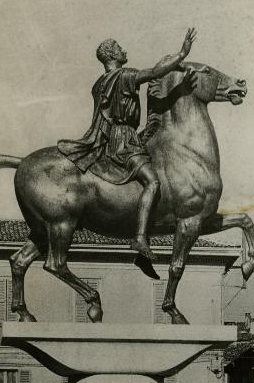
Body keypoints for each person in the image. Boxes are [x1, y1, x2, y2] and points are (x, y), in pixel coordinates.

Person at [58, 28, 196, 261]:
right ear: (112, 54)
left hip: (109, 139)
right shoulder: (123, 76)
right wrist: (182, 54)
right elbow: (154, 72)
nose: (125, 51)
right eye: (120, 49)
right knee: (152, 182)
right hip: (124, 140)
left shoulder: (99, 83)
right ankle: (141, 238)